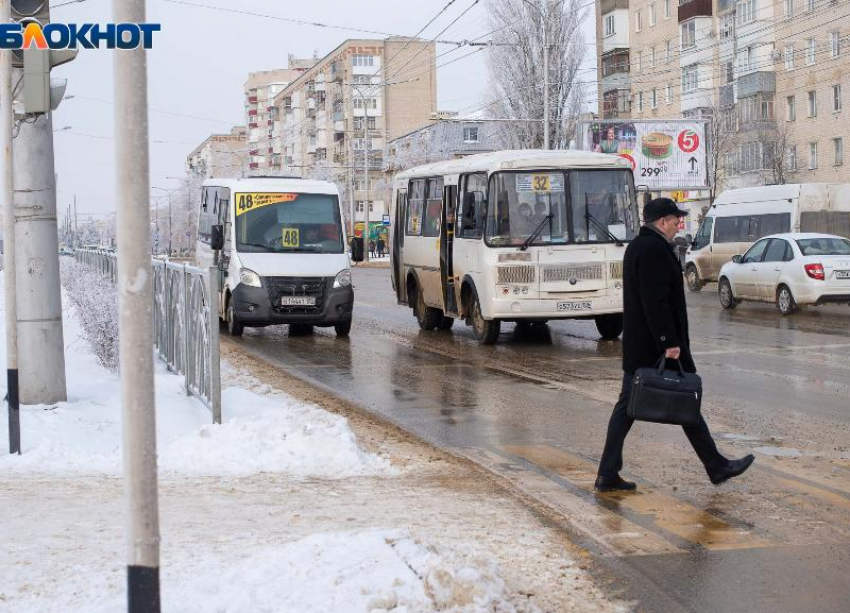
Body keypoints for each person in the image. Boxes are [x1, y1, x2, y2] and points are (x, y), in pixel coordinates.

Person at [595, 198, 755, 492]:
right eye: (675, 219)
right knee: (682, 400)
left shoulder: (639, 246)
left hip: (643, 343)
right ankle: (716, 466)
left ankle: (608, 473)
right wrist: (669, 342)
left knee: (640, 407)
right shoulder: (653, 249)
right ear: (662, 222)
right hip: (654, 345)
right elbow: (656, 301)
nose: (679, 224)